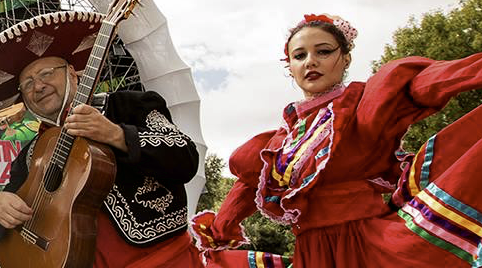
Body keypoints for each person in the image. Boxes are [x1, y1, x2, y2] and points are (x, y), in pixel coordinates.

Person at [191, 13, 482, 267]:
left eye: (324, 51)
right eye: (300, 55)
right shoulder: (281, 141)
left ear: (345, 58)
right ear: (289, 66)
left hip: (366, 243)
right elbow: (247, 185)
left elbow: (419, 84)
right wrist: (217, 232)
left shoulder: (361, 105)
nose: (311, 62)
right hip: (311, 252)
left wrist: (474, 71)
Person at [0, 11, 203, 268]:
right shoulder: (29, 154)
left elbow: (185, 156)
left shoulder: (132, 105)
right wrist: (2, 206)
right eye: (27, 83)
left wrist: (117, 135)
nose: (37, 86)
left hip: (161, 260)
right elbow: (7, 221)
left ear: (72, 73)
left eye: (46, 73)